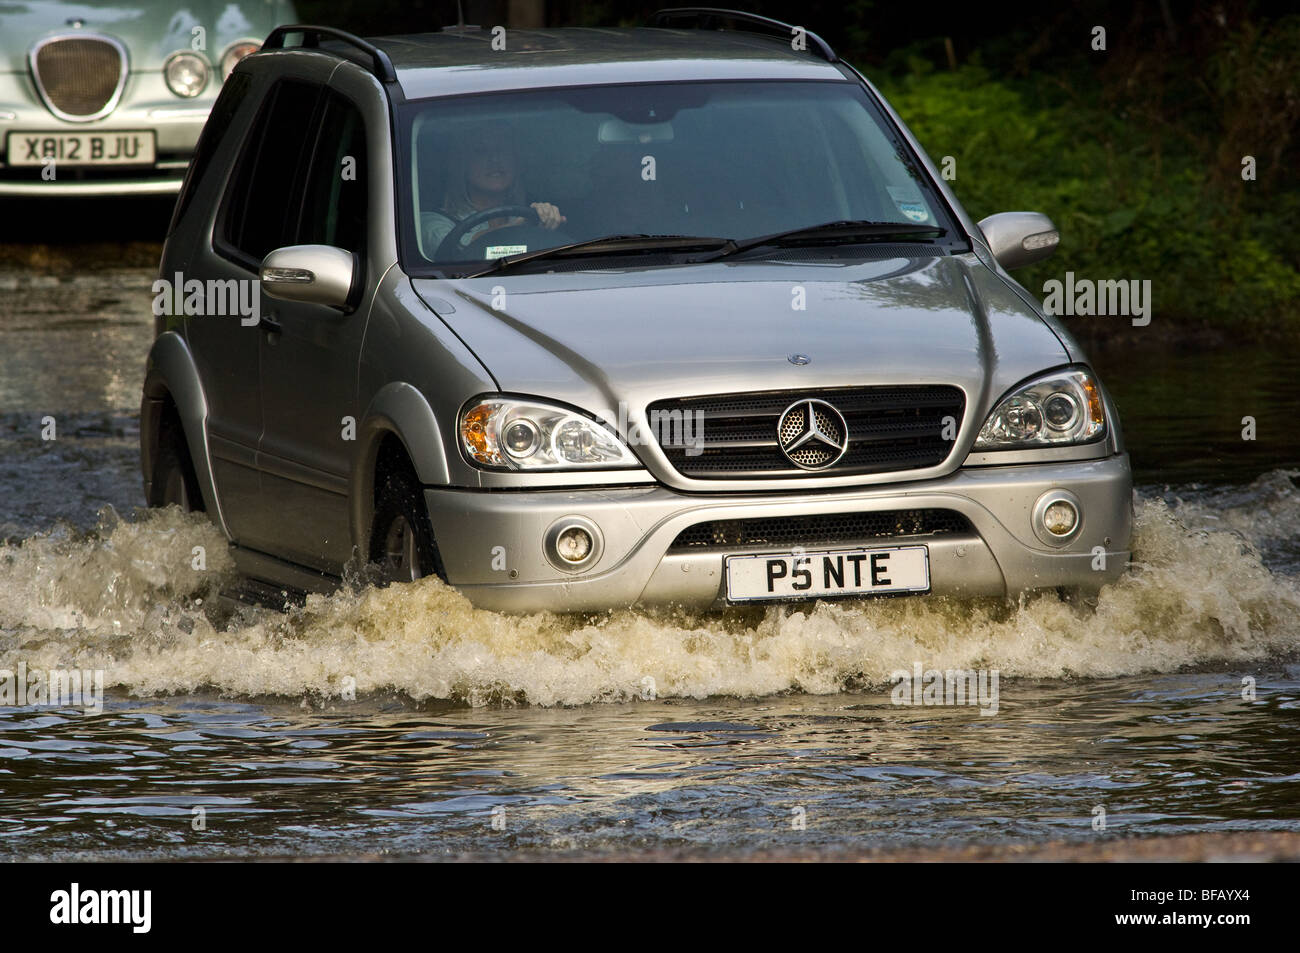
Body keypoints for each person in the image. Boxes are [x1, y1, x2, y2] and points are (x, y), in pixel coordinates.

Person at [423, 123, 565, 257]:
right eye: (481, 151)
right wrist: (520, 227)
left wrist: (545, 218)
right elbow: (454, 248)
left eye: (502, 150)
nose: (495, 159)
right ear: (462, 164)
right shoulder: (431, 222)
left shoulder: (527, 216)